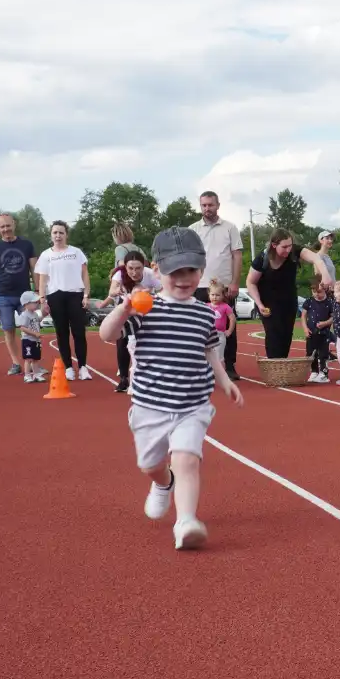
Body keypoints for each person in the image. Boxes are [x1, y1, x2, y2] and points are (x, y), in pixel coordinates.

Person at [99, 226, 243, 549]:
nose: (183, 278)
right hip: (151, 405)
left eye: (191, 270)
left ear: (202, 270)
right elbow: (108, 336)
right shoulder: (146, 309)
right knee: (150, 464)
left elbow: (210, 352)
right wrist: (122, 310)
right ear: (156, 270)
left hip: (192, 404)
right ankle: (163, 484)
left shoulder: (205, 315)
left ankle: (186, 521)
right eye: (174, 271)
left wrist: (225, 381)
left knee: (187, 459)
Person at [190, 191, 243, 381]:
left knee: (227, 326)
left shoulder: (230, 228)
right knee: (198, 327)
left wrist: (235, 282)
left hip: (224, 286)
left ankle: (229, 365)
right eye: (203, 205)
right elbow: (190, 258)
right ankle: (199, 366)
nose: (207, 209)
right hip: (200, 285)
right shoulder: (193, 229)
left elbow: (237, 255)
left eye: (210, 205)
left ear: (218, 205)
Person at [35, 220, 91, 379]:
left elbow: (85, 274)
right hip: (55, 296)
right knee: (62, 333)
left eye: (61, 232)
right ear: (51, 235)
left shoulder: (76, 252)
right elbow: (43, 279)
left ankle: (83, 367)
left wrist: (86, 294)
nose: (58, 235)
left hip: (75, 294)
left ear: (66, 234)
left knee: (79, 332)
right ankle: (68, 367)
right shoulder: (46, 255)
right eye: (55, 232)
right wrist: (42, 299)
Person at [0, 213, 38, 377]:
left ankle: (34, 363)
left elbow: (35, 269)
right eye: (2, 227)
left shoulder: (27, 245)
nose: (6, 229)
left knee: (30, 328)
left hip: (25, 295)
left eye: (8, 225)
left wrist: (37, 292)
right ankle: (16, 363)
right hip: (3, 295)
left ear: (14, 224)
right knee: (8, 330)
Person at [245, 228, 301, 359]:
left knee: (286, 336)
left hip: (289, 303)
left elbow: (315, 258)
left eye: (290, 246)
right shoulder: (261, 259)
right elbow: (251, 282)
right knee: (273, 335)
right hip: (268, 304)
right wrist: (259, 304)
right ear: (274, 245)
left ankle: (281, 367)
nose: (288, 249)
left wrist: (324, 272)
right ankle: (274, 367)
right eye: (284, 247)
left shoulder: (294, 253)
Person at [105, 252, 157, 393]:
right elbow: (112, 290)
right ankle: (124, 378)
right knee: (123, 340)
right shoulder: (120, 274)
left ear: (144, 266)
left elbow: (164, 291)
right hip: (125, 308)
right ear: (125, 267)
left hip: (144, 309)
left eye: (138, 268)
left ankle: (147, 376)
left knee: (143, 341)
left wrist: (151, 295)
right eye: (131, 268)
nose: (134, 272)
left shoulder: (150, 274)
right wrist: (118, 290)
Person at [16, 290, 45, 383]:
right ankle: (27, 375)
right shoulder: (24, 315)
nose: (37, 304)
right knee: (28, 359)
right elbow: (22, 328)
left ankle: (36, 374)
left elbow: (37, 320)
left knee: (36, 358)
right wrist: (34, 333)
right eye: (34, 302)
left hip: (35, 340)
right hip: (28, 340)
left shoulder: (35, 314)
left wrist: (45, 315)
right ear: (26, 304)